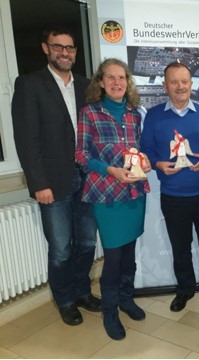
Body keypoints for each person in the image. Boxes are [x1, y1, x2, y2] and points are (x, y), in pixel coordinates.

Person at [11, 26, 100, 326]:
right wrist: (38, 184)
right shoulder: (29, 84)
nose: (65, 52)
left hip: (87, 179)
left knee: (87, 243)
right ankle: (65, 300)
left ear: (75, 51)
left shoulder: (87, 86)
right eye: (58, 46)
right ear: (45, 48)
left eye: (70, 47)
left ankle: (82, 292)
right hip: (54, 182)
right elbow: (26, 140)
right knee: (61, 248)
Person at [75, 58, 151, 340]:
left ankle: (125, 298)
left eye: (122, 77)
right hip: (106, 194)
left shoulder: (134, 114)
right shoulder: (90, 113)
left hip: (133, 192)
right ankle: (110, 310)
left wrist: (143, 160)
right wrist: (109, 170)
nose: (117, 82)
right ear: (101, 82)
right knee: (114, 256)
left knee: (129, 252)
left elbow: (137, 149)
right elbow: (81, 155)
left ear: (127, 82)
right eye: (111, 78)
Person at [140, 62, 199, 313]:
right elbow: (146, 151)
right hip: (173, 197)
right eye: (174, 82)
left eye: (184, 81)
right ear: (165, 86)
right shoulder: (154, 116)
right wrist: (159, 164)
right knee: (181, 249)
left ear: (191, 84)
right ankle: (184, 290)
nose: (180, 86)